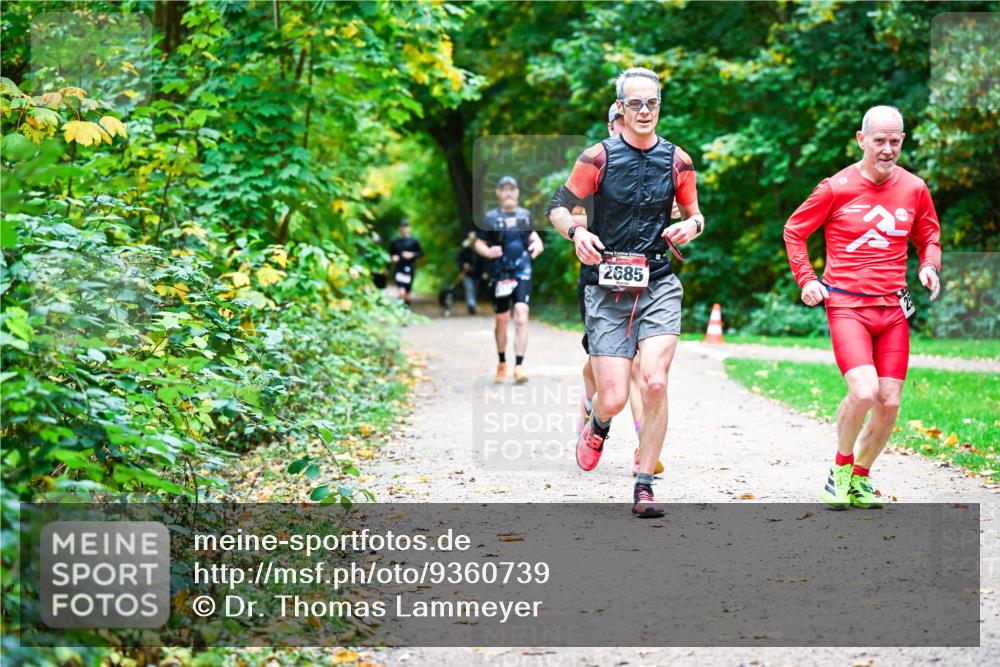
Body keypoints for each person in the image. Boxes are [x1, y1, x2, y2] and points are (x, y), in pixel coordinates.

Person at [547, 67, 705, 518]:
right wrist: (576, 233)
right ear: (620, 108)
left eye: (651, 103)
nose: (643, 111)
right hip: (607, 287)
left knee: (655, 379)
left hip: (658, 282)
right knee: (614, 396)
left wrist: (689, 227)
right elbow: (557, 206)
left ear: (660, 106)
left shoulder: (678, 161)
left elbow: (697, 215)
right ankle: (598, 423)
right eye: (634, 103)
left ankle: (644, 484)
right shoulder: (597, 157)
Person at [783, 105, 941, 510]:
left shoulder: (914, 188)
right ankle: (840, 469)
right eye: (879, 141)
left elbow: (929, 236)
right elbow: (794, 231)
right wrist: (807, 280)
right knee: (865, 390)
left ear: (902, 141)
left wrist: (929, 266)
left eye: (894, 141)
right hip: (848, 307)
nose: (887, 149)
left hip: (892, 311)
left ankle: (861, 477)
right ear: (861, 140)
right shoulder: (836, 188)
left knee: (889, 402)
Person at [574, 103, 666, 478]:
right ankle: (591, 404)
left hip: (646, 277)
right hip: (600, 279)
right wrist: (582, 229)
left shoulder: (654, 165)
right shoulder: (596, 164)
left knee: (642, 367)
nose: (621, 129)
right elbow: (570, 211)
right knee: (608, 366)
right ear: (613, 124)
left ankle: (643, 450)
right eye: (616, 122)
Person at [476, 176, 544, 384]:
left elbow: (533, 237)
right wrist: (488, 252)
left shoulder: (524, 215)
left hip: (522, 270)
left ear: (517, 193)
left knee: (521, 315)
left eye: (511, 189)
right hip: (500, 273)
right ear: (498, 193)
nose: (508, 193)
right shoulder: (490, 218)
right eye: (504, 189)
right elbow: (479, 243)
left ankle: (520, 365)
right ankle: (502, 361)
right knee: (502, 319)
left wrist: (538, 245)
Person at [390, 220, 422, 308]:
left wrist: (412, 255)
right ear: (399, 229)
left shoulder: (414, 241)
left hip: (410, 269)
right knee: (401, 291)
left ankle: (407, 311)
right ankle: (401, 311)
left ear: (409, 228)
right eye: (402, 227)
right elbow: (391, 254)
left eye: (405, 227)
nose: (404, 229)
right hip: (399, 269)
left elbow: (420, 253)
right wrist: (394, 257)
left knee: (407, 292)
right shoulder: (395, 242)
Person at [458, 231, 481, 315]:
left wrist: (484, 271)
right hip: (467, 273)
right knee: (469, 288)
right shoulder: (464, 248)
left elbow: (483, 261)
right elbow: (459, 259)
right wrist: (464, 265)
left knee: (475, 290)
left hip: (477, 273)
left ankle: (473, 304)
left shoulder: (480, 248)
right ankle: (471, 305)